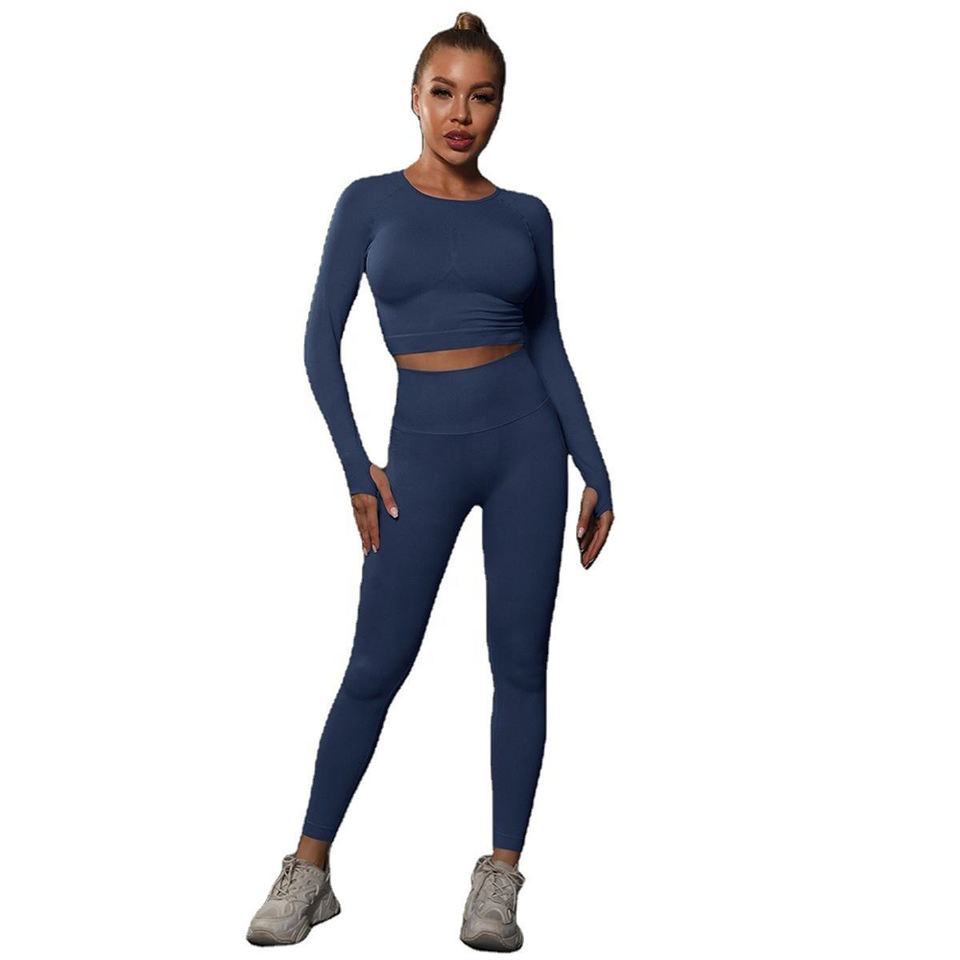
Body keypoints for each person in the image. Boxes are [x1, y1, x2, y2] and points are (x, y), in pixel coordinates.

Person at [246, 12, 614, 952]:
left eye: (480, 96)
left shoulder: (527, 214)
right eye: (443, 92)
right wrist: (355, 467)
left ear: (500, 107)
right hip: (420, 454)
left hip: (528, 445)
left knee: (519, 664)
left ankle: (499, 878)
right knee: (376, 663)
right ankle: (309, 870)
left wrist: (595, 464)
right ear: (414, 98)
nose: (461, 114)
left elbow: (549, 343)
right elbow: (317, 345)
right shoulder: (368, 202)